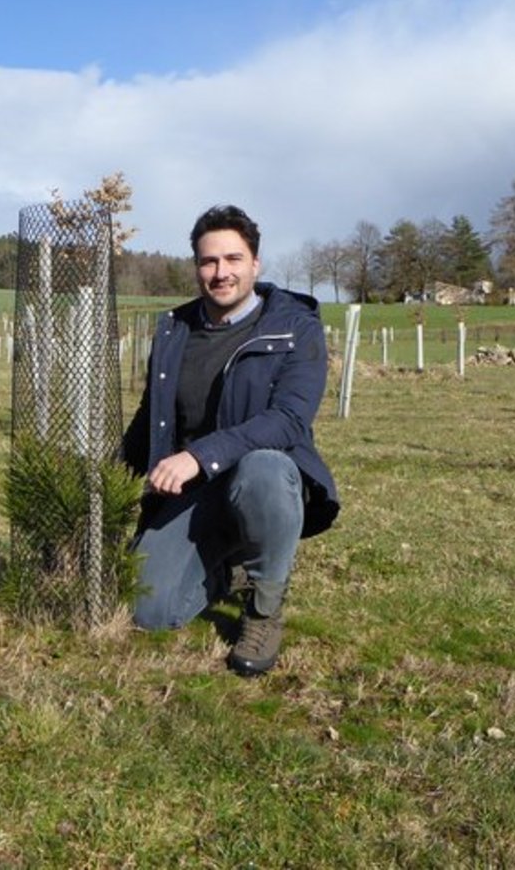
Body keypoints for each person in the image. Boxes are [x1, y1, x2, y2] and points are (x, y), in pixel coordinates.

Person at [121, 204, 340, 676]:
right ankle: (227, 565)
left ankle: (264, 609)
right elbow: (151, 416)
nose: (221, 273)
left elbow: (288, 420)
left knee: (263, 467)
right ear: (196, 267)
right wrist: (112, 474)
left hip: (262, 478)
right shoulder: (175, 330)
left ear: (255, 264)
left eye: (233, 259)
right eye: (208, 261)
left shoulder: (295, 327)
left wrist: (200, 455)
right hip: (193, 488)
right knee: (150, 612)